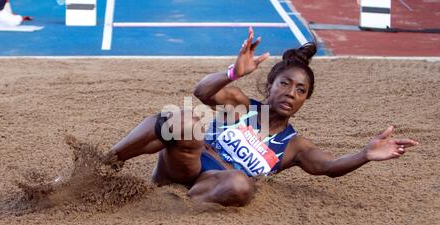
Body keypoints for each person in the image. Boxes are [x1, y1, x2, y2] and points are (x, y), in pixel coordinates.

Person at [104, 27, 418, 207]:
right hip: (187, 163)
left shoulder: (295, 146)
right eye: (284, 84)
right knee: (183, 120)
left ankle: (171, 204)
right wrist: (232, 73)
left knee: (242, 186)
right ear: (269, 86)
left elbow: (330, 168)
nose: (291, 93)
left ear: (305, 99)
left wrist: (365, 154)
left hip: (216, 186)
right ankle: (104, 165)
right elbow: (202, 93)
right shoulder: (241, 104)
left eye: (300, 90)